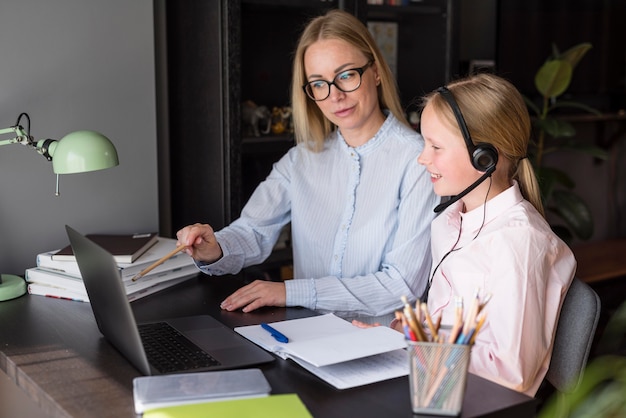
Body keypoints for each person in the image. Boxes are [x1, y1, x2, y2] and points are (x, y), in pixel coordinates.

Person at [176, 9, 439, 325]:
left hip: (379, 350)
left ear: (376, 71)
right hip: (304, 341)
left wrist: (290, 292)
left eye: (346, 75)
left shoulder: (418, 161)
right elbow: (253, 232)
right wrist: (214, 248)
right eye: (319, 84)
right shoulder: (300, 160)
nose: (336, 96)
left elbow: (402, 286)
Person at [357, 73, 576, 396]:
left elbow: (510, 373)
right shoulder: (450, 222)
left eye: (436, 146)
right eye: (424, 144)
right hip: (439, 389)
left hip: (479, 401)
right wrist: (402, 333)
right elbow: (446, 329)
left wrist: (408, 346)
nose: (422, 158)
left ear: (484, 156)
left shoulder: (518, 242)